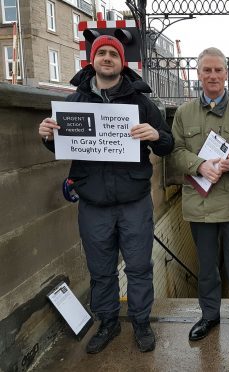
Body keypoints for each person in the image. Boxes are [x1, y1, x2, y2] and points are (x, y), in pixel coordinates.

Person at [38, 35, 174, 354]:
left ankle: (141, 322)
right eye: (103, 53)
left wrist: (156, 134)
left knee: (139, 267)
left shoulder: (141, 103)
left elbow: (167, 144)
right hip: (93, 204)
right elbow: (61, 145)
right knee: (101, 269)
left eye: (114, 53)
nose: (108, 58)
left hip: (134, 202)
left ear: (122, 62)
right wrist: (46, 137)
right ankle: (108, 322)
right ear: (92, 61)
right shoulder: (74, 103)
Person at [170, 47, 229, 348]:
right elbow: (174, 152)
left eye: (218, 70)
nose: (213, 75)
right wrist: (199, 165)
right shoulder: (184, 113)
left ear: (226, 74)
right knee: (207, 265)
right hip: (200, 206)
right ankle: (209, 316)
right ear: (198, 74)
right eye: (207, 70)